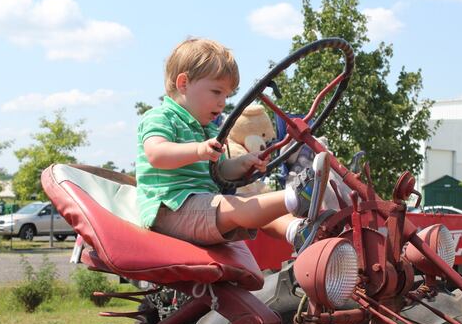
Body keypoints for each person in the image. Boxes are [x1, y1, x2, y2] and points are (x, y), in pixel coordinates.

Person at [136, 38, 328, 250]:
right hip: (170, 210)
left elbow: (221, 171)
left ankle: (300, 232)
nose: (223, 102)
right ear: (184, 84)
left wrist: (243, 164)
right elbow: (156, 154)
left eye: (227, 95)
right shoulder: (161, 117)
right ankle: (295, 196)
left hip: (203, 205)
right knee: (239, 206)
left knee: (255, 204)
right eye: (217, 92)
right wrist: (199, 150)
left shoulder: (208, 129)